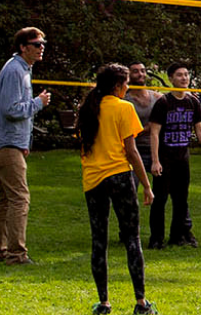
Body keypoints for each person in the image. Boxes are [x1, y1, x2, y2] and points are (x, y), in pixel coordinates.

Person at [75, 64, 158, 315]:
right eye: (126, 84)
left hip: (93, 180)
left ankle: (103, 303)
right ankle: (141, 303)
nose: (128, 88)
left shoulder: (88, 109)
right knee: (132, 239)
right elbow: (131, 151)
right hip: (120, 177)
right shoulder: (124, 107)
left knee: (98, 242)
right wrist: (146, 185)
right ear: (117, 86)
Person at [0, 27, 52, 266]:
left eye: (43, 43)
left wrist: (23, 143)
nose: (41, 47)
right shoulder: (14, 71)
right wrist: (38, 103)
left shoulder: (21, 69)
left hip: (8, 143)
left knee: (7, 198)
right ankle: (16, 255)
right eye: (36, 43)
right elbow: (11, 110)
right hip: (4, 143)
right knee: (20, 198)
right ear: (23, 47)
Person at [145, 64, 201, 249]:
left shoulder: (192, 102)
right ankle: (156, 239)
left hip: (182, 158)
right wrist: (155, 160)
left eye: (186, 75)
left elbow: (199, 129)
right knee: (160, 199)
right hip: (164, 157)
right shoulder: (164, 103)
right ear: (171, 79)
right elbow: (154, 132)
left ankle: (177, 236)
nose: (184, 78)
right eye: (179, 75)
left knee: (181, 199)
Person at [125, 61, 164, 186]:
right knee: (131, 189)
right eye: (135, 71)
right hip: (133, 151)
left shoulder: (157, 98)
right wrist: (148, 127)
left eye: (142, 71)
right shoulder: (124, 101)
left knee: (161, 191)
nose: (140, 74)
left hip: (156, 150)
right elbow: (125, 131)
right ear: (128, 75)